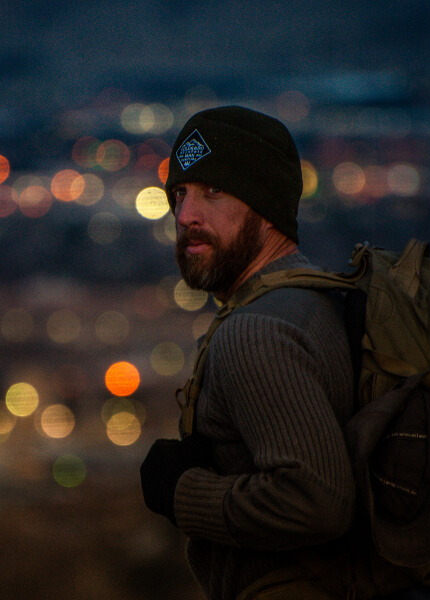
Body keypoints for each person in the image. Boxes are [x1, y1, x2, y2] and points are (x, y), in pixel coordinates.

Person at [140, 106, 358, 600]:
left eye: (213, 191)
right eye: (179, 194)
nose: (186, 215)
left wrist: (180, 492)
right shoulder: (318, 303)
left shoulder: (254, 332)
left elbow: (317, 502)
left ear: (265, 204)